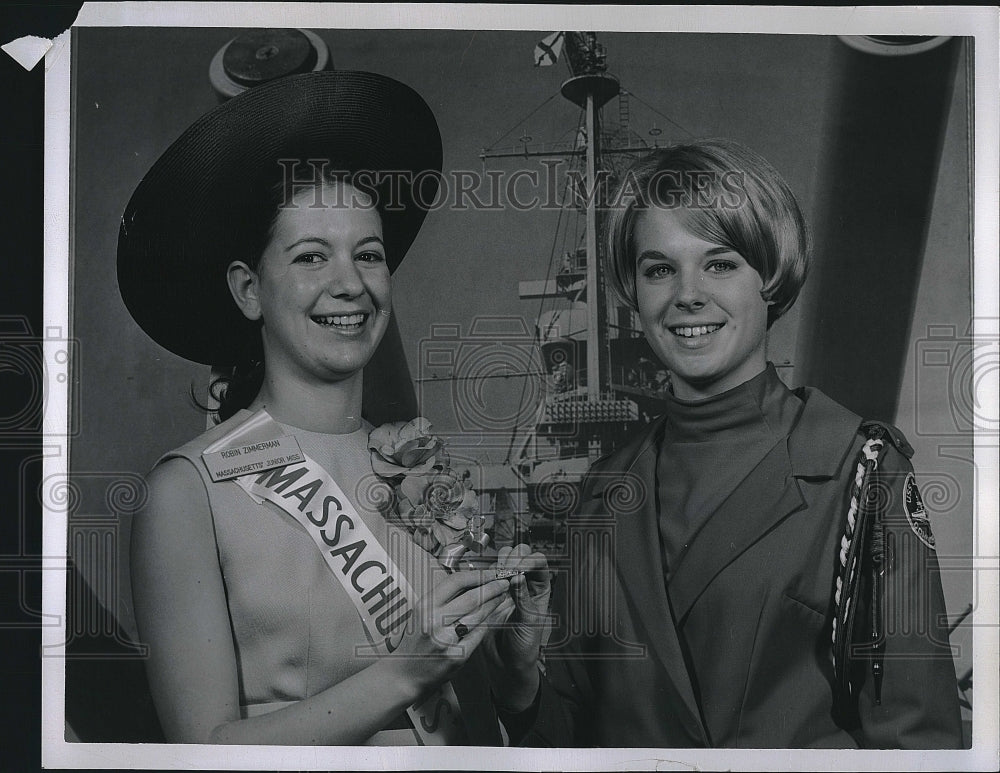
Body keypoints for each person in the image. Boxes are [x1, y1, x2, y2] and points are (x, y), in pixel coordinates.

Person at [121, 70, 547, 746]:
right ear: (248, 290)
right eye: (311, 256)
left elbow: (481, 721)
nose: (349, 284)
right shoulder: (187, 491)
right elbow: (203, 752)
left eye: (368, 255)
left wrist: (517, 666)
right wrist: (403, 673)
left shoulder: (419, 468)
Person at [517, 140, 963, 748]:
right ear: (635, 292)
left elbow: (918, 742)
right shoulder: (602, 489)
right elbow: (568, 737)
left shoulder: (862, 473)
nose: (687, 294)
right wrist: (516, 678)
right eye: (658, 268)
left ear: (771, 278)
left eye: (720, 263)